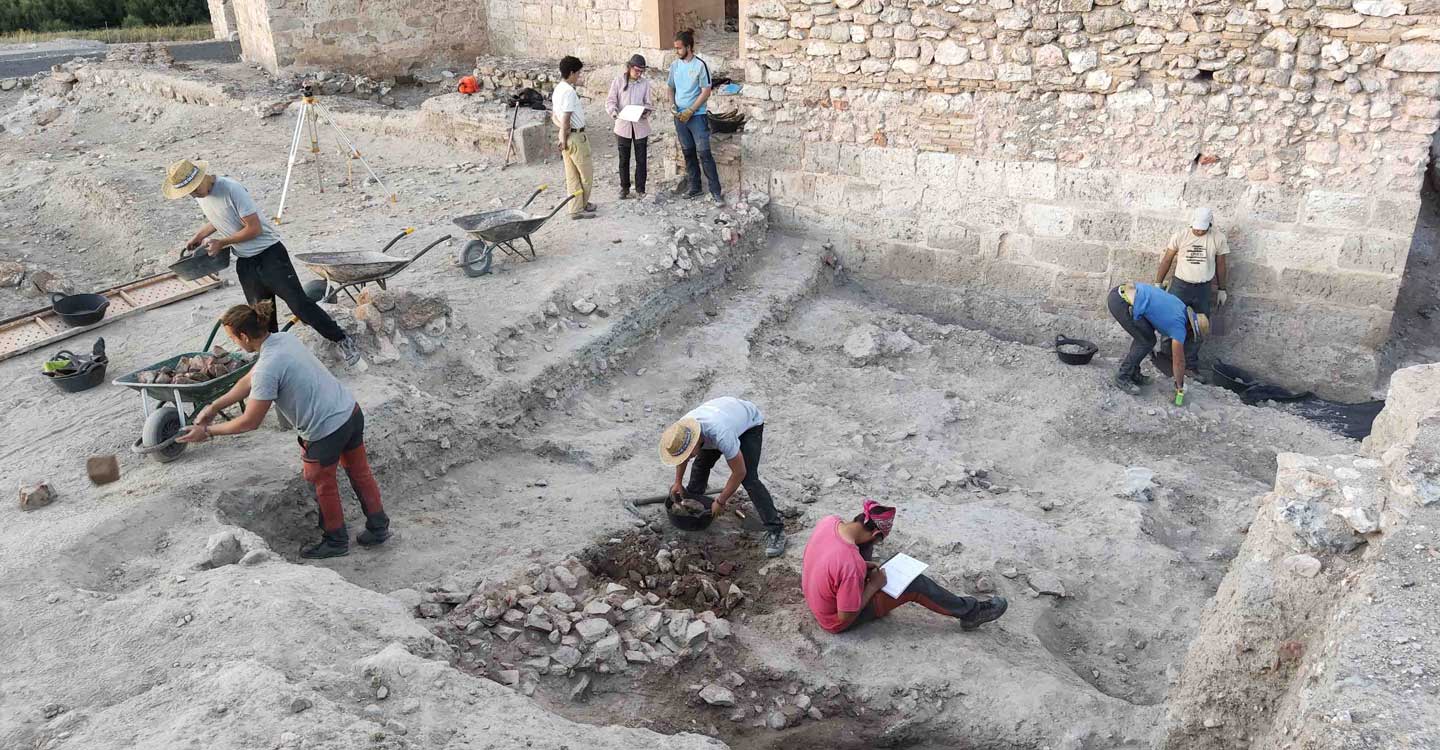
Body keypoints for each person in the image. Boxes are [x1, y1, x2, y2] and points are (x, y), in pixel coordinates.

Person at [176, 301, 390, 559]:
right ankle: (379, 528)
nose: (234, 343)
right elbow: (248, 380)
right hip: (349, 412)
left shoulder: (268, 367)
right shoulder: (282, 341)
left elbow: (250, 421)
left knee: (321, 484)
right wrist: (214, 406)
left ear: (244, 336)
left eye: (232, 337)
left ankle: (335, 541)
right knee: (359, 472)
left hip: (325, 431)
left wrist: (208, 433)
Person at [163, 158, 360, 367]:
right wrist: (199, 236)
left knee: (299, 305)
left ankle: (342, 339)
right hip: (246, 262)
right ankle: (276, 360)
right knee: (261, 316)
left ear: (201, 177)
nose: (193, 195)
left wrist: (222, 242)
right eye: (188, 193)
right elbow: (219, 217)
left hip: (270, 255)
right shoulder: (202, 195)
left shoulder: (232, 189)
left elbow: (254, 228)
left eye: (193, 190)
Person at [801, 501, 1009, 633]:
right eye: (877, 541)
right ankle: (971, 613)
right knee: (915, 584)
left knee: (873, 565)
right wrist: (872, 587)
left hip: (817, 598)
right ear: (875, 534)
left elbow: (833, 563)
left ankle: (865, 585)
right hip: (833, 620)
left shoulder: (830, 522)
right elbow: (845, 616)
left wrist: (862, 567)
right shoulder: (849, 563)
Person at [659, 397, 785, 557]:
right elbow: (682, 456)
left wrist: (720, 501)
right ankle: (694, 506)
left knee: (749, 479)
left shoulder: (721, 435)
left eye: (689, 453)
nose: (687, 457)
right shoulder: (682, 431)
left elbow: (739, 472)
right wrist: (677, 482)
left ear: (695, 443)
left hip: (748, 425)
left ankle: (776, 530)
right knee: (700, 464)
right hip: (723, 416)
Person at [1107, 281, 1210, 403]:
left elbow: (1155, 315)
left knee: (1146, 338)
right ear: (1191, 329)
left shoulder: (1180, 307)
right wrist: (1180, 386)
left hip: (1123, 291)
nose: (1189, 338)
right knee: (1145, 341)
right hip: (1122, 301)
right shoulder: (1179, 327)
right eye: (1192, 335)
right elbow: (1179, 362)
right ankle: (1122, 377)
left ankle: (1133, 372)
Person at [1155, 207, 1230, 375]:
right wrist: (1157, 283)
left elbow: (1221, 264)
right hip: (1180, 285)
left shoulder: (1218, 238)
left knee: (1200, 326)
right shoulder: (1181, 236)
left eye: (1202, 228)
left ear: (1210, 225)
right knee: (1170, 320)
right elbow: (1167, 259)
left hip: (1203, 288)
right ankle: (1167, 359)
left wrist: (1222, 289)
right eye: (1196, 227)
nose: (1198, 231)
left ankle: (1190, 364)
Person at [667, 29, 722, 202]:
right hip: (680, 117)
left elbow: (706, 90)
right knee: (688, 153)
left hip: (696, 116)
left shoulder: (700, 65)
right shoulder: (675, 66)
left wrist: (691, 110)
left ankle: (716, 192)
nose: (677, 52)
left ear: (689, 47)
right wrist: (672, 105)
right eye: (676, 48)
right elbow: (670, 87)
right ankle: (695, 187)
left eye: (679, 48)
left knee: (704, 153)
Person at [553, 55, 596, 220]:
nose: (579, 76)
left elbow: (554, 116)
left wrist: (561, 135)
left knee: (572, 175)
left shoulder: (558, 89)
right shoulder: (569, 92)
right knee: (586, 174)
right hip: (576, 136)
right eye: (578, 73)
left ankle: (576, 207)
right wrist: (564, 137)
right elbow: (566, 118)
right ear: (571, 73)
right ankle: (581, 206)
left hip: (566, 135)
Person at [606, 54, 654, 200]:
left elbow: (649, 103)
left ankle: (640, 189)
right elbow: (611, 101)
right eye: (636, 71)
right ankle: (624, 188)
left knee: (641, 159)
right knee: (624, 158)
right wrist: (614, 113)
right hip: (623, 125)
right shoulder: (618, 81)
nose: (639, 74)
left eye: (641, 71)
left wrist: (645, 111)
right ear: (629, 68)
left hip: (640, 125)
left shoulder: (645, 84)